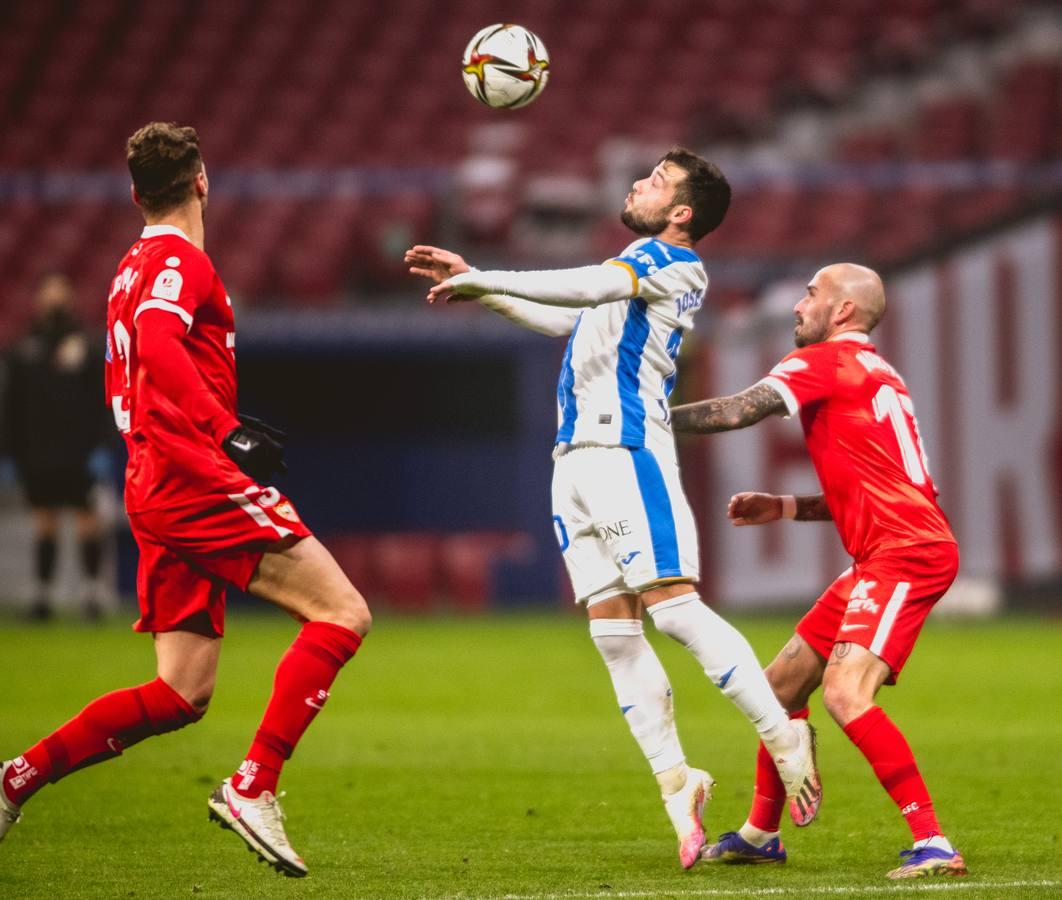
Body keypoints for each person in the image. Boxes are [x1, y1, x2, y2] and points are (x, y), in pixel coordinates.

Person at [406, 148, 820, 869]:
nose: (638, 183)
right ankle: (676, 782)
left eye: (657, 181)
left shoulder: (671, 263)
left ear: (683, 213)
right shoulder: (636, 266)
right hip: (575, 463)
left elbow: (590, 289)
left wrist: (485, 275)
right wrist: (484, 291)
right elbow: (573, 321)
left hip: (628, 452)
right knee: (614, 636)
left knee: (674, 607)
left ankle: (786, 739)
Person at [0, 123, 372, 879]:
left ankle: (17, 779)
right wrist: (224, 431)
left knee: (181, 691)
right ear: (203, 181)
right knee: (342, 613)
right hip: (191, 477)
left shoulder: (130, 263)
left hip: (151, 481)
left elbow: (141, 344)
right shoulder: (178, 260)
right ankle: (253, 786)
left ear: (136, 194)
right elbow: (158, 340)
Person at [670, 263, 966, 880]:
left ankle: (934, 841)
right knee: (780, 686)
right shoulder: (878, 373)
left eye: (811, 293)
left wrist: (641, 419)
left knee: (843, 693)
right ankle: (761, 833)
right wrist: (781, 506)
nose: (798, 304)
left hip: (905, 551)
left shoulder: (824, 362)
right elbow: (873, 491)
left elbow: (736, 411)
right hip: (888, 547)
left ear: (843, 312)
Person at [1, 273, 109, 620]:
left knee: (87, 522)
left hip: (80, 450)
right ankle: (42, 595)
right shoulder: (23, 349)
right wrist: (10, 453)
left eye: (61, 292)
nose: (55, 298)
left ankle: (93, 593)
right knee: (44, 522)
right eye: (49, 292)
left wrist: (102, 447)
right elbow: (11, 406)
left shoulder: (89, 346)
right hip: (38, 452)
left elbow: (102, 399)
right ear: (38, 299)